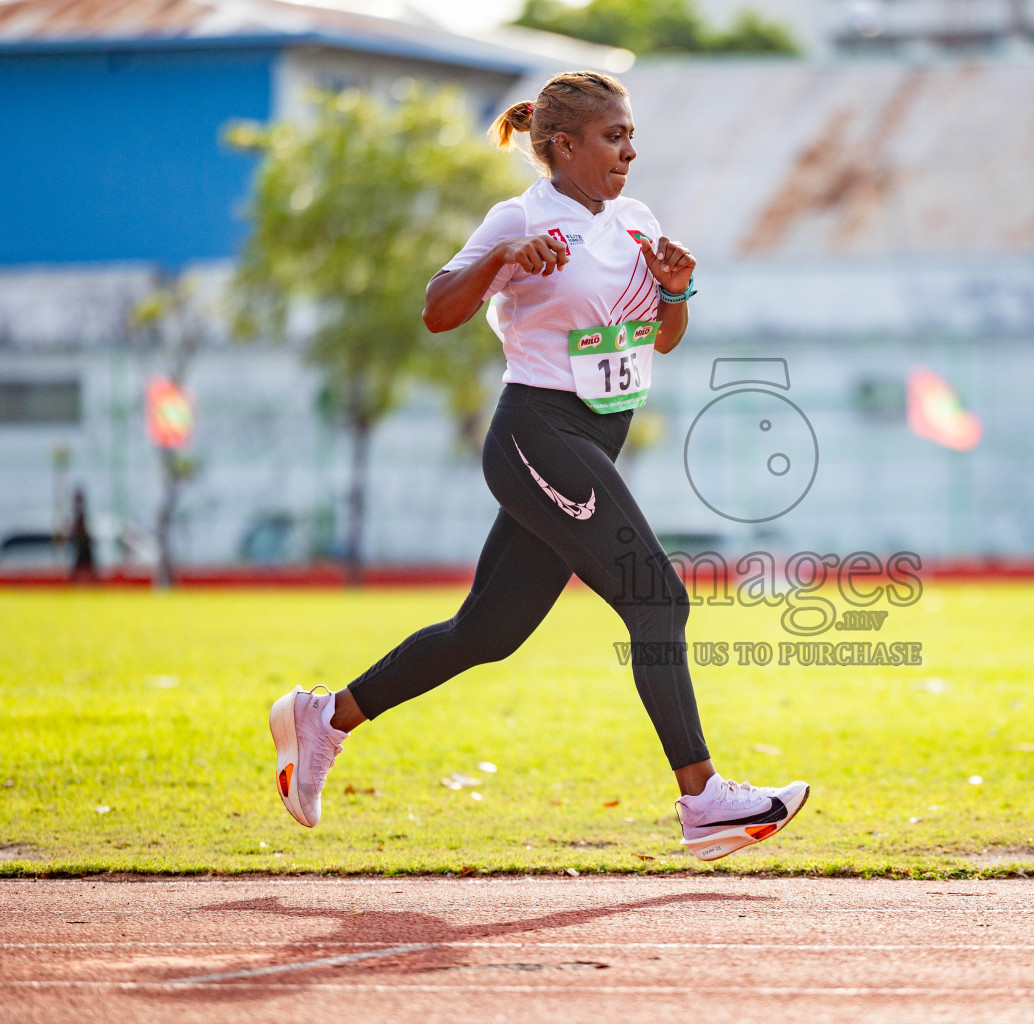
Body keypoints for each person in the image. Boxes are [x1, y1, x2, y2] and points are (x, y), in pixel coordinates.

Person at [268, 71, 809, 863]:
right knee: (656, 596)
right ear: (563, 145)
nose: (630, 148)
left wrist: (678, 289)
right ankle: (702, 801)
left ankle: (326, 717)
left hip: (596, 437)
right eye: (614, 135)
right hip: (537, 432)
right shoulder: (520, 215)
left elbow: (660, 339)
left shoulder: (634, 220)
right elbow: (437, 308)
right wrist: (502, 259)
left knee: (489, 630)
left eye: (629, 134)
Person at [66, 487, 96, 583]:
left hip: (83, 543)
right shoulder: (78, 511)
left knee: (83, 567)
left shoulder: (79, 511)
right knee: (83, 567)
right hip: (82, 543)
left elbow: (80, 528)